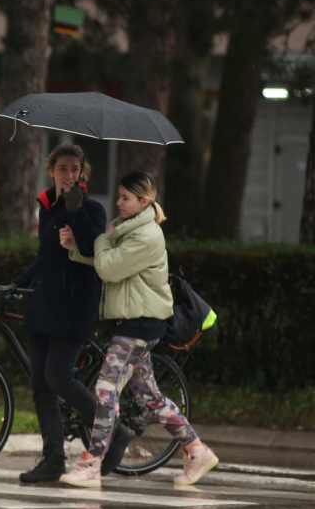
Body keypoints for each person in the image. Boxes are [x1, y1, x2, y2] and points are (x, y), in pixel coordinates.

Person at [58, 171, 219, 489]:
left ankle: (91, 464)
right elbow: (115, 263)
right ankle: (197, 450)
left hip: (139, 323)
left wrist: (102, 238)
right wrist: (78, 248)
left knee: (106, 389)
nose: (118, 202)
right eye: (118, 196)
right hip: (136, 322)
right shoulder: (130, 230)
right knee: (149, 396)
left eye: (125, 198)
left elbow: (109, 267)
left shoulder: (146, 235)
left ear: (143, 201)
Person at [12, 143, 130, 483]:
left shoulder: (92, 208)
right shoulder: (46, 208)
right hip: (45, 305)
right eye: (62, 168)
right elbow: (44, 258)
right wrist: (16, 284)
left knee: (58, 376)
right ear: (51, 172)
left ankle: (115, 430)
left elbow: (97, 248)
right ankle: (52, 459)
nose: (69, 174)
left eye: (74, 168)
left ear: (83, 173)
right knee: (41, 384)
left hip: (75, 306)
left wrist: (75, 210)